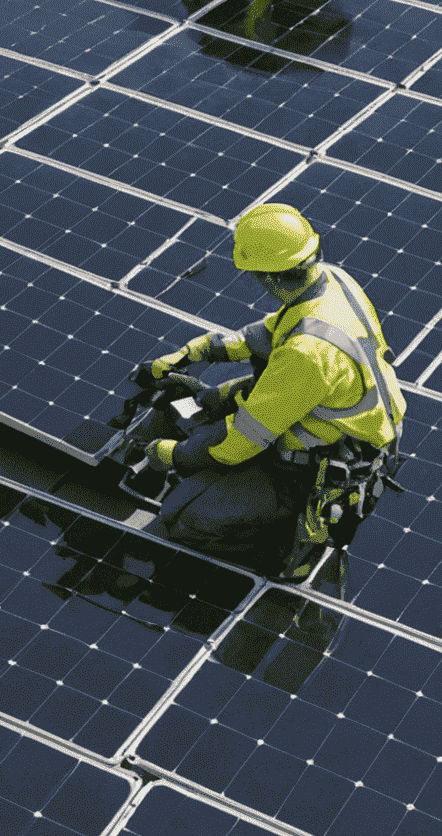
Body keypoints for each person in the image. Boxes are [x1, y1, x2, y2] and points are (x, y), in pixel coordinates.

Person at [136, 202, 405, 575]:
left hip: (314, 465)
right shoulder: (330, 280)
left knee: (182, 518)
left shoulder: (307, 353)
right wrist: (192, 351)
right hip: (322, 411)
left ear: (271, 277)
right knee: (204, 400)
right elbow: (266, 334)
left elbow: (238, 444)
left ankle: (284, 548)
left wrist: (175, 455)